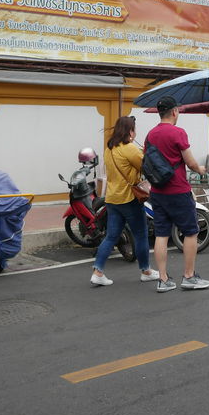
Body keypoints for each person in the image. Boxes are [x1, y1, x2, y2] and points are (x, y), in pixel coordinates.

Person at [144, 96, 209, 292]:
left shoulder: (150, 135)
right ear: (174, 112)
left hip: (157, 191)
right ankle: (189, 276)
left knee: (162, 234)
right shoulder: (178, 132)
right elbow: (190, 162)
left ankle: (163, 279)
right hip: (178, 190)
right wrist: (200, 169)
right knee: (191, 231)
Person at [90, 116, 158, 287]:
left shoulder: (109, 149)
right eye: (134, 129)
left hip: (112, 198)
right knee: (141, 234)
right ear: (130, 131)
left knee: (112, 236)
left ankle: (98, 271)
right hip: (129, 199)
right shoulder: (130, 149)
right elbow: (146, 166)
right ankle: (146, 271)